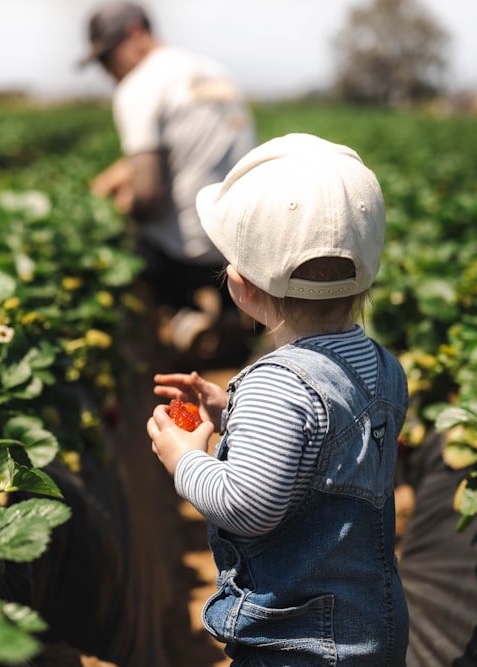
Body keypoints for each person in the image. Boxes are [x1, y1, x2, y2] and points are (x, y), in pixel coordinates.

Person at [146, 133, 409, 666]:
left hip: (296, 642)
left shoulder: (279, 385)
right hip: (369, 627)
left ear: (240, 286)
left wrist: (185, 459)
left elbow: (247, 507)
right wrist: (233, 413)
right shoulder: (383, 366)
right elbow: (327, 443)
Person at [78, 1, 257, 366]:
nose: (107, 71)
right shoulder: (212, 72)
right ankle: (228, 317)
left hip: (185, 254)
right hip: (240, 243)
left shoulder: (139, 86)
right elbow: (192, 150)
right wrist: (121, 172)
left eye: (107, 58)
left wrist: (119, 206)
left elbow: (149, 197)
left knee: (122, 239)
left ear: (134, 34)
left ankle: (173, 326)